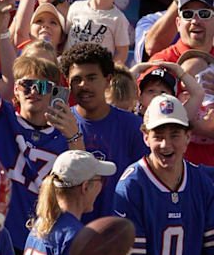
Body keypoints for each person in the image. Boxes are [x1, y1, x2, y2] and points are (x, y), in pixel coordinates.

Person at [0, 0, 82, 255]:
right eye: (27, 83)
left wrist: (74, 136)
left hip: (42, 246)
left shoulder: (66, 130)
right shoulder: (0, 116)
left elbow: (81, 183)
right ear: (15, 87)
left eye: (43, 85)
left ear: (54, 89)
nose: (34, 90)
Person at [113, 94, 214, 255]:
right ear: (145, 138)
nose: (166, 144)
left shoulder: (201, 182)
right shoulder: (132, 186)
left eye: (175, 135)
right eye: (158, 136)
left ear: (188, 137)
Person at [59, 43, 149, 224]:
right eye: (76, 79)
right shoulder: (59, 124)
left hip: (117, 233)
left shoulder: (134, 127)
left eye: (92, 78)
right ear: (68, 83)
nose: (84, 85)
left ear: (108, 80)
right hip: (70, 234)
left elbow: (144, 186)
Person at [23, 150, 116, 255]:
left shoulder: (39, 225)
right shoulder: (75, 236)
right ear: (85, 187)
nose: (101, 186)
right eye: (100, 180)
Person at [63, 0, 130, 64]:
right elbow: (64, 36)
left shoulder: (119, 19)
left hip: (96, 71)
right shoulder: (75, 7)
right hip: (69, 67)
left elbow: (122, 52)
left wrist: (110, 71)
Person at [150, 0, 214, 63]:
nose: (195, 21)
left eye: (204, 14)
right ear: (178, 23)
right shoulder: (161, 62)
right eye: (187, 14)